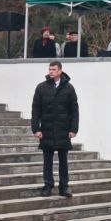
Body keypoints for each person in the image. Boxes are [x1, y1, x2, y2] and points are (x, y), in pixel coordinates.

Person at [30, 60, 79, 197]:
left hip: (63, 130)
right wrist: (36, 129)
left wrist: (73, 129)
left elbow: (74, 110)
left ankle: (64, 186)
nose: (51, 72)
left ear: (60, 71)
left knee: (63, 160)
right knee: (47, 161)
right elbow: (35, 110)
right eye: (50, 69)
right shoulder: (41, 87)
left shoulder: (69, 88)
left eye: (53, 69)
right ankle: (48, 186)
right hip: (47, 129)